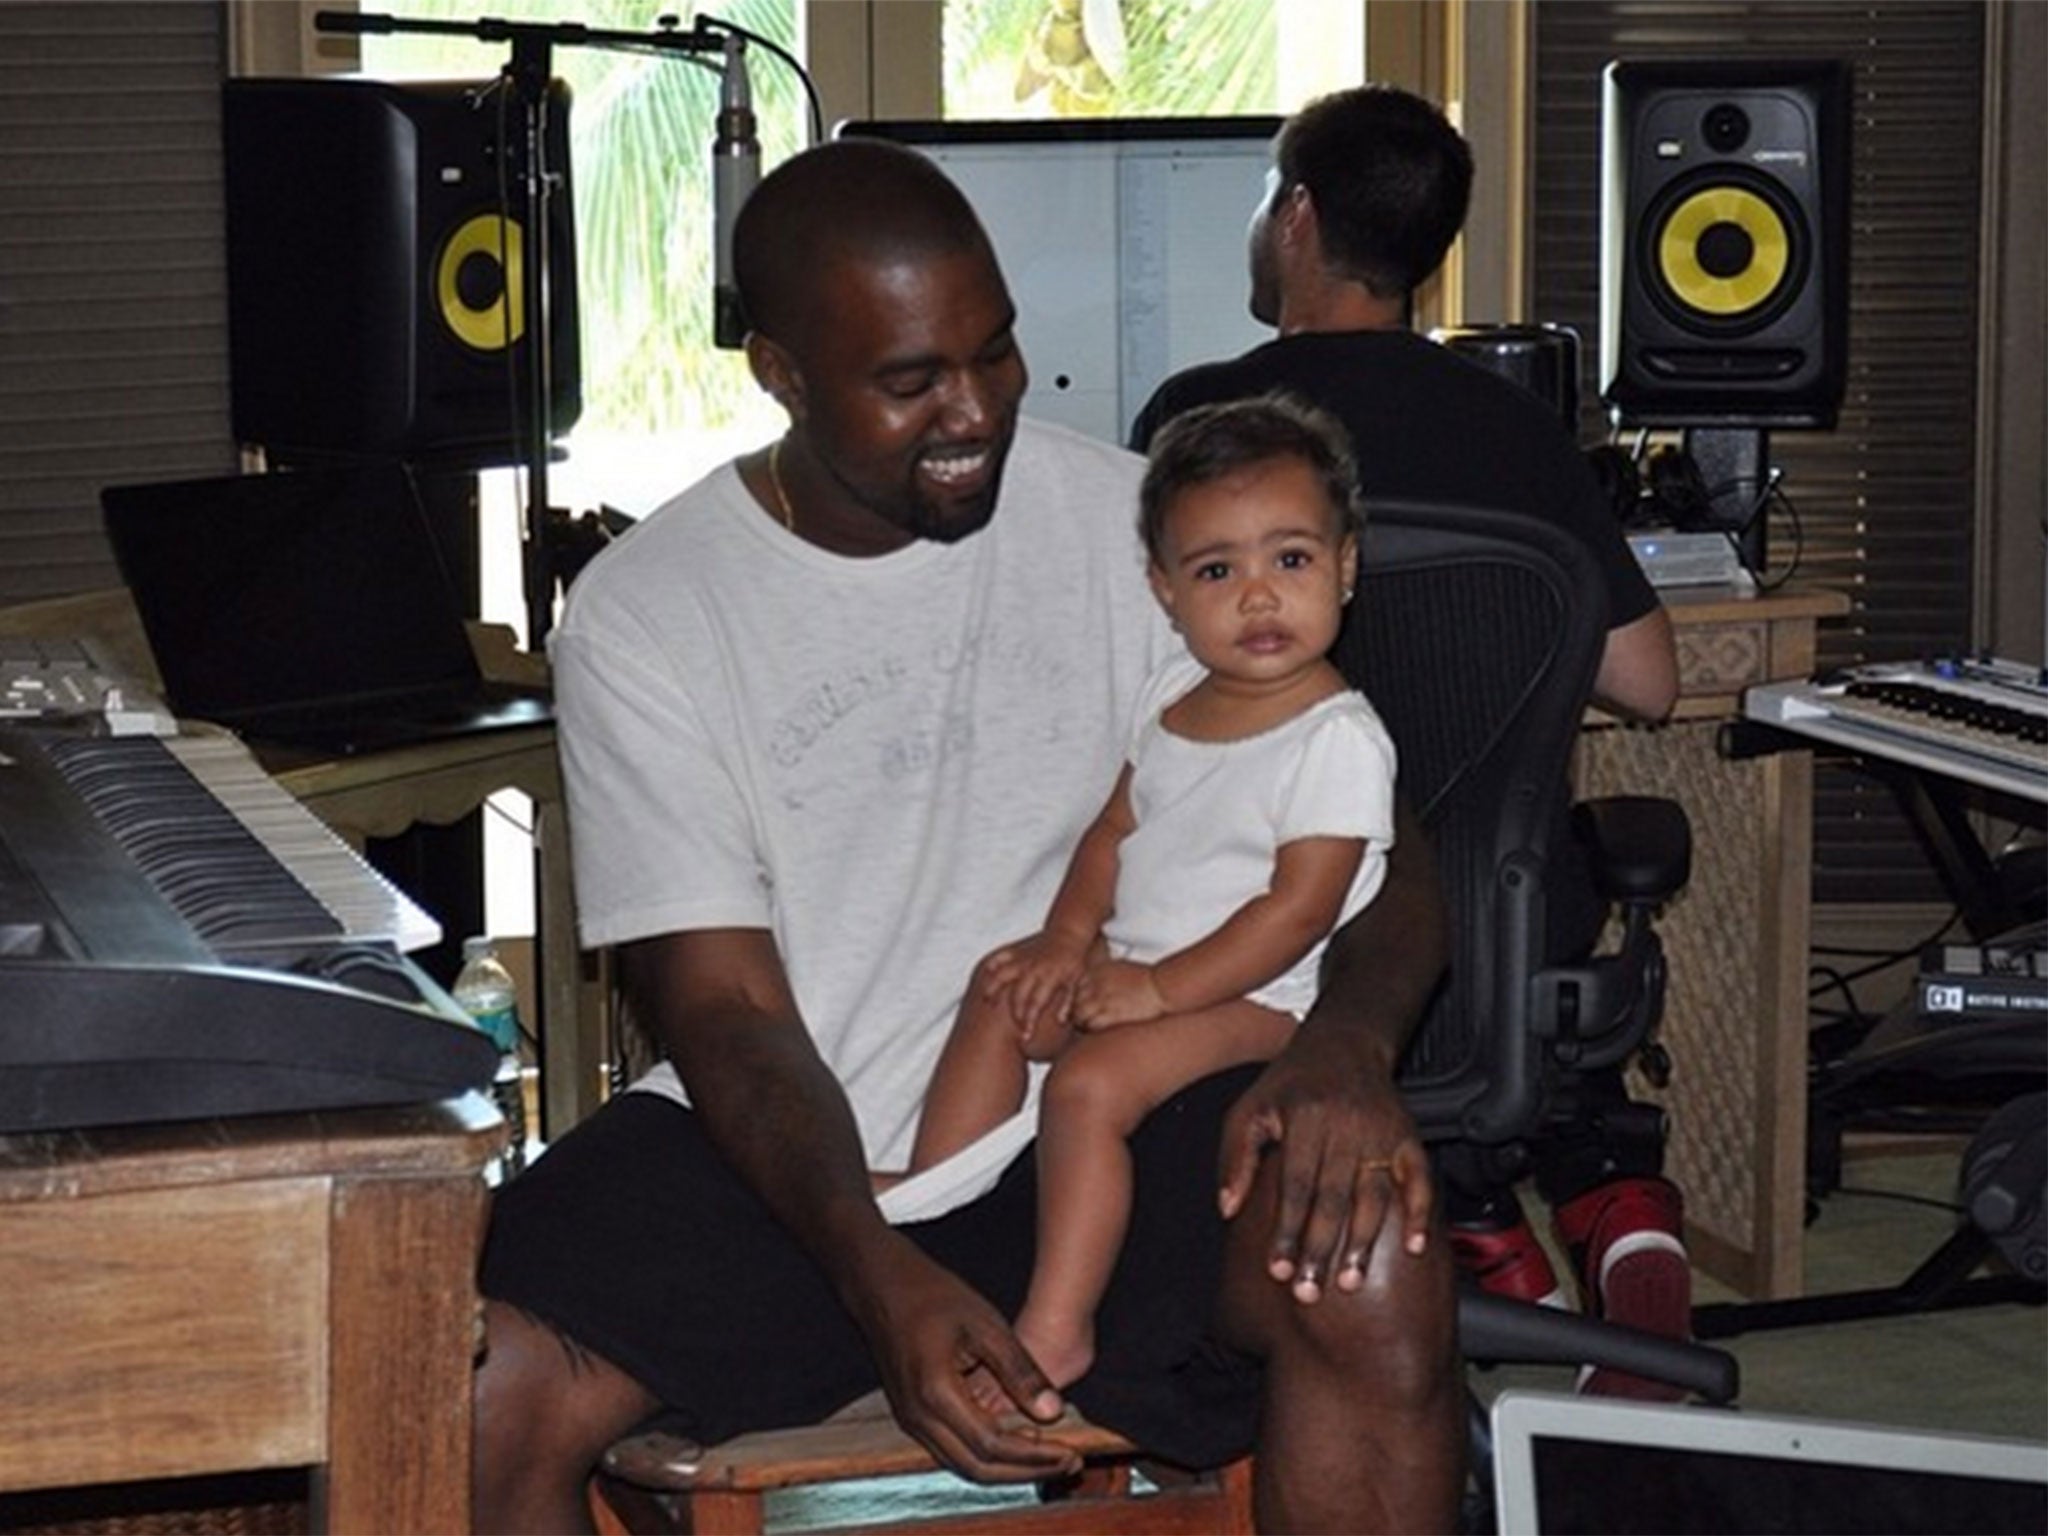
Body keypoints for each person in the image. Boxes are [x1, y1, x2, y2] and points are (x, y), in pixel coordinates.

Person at [470, 138, 1464, 1535]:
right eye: (910, 380)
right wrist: (879, 1271)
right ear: (780, 373)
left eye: (992, 354)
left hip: (1093, 1098)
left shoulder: (1131, 521)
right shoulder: (650, 612)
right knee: (475, 1393)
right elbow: (730, 1013)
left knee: (1366, 1254)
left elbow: (1377, 838)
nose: (976, 409)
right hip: (802, 1139)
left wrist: (1348, 1053)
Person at [1130, 84, 1692, 1400]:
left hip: (1257, 930)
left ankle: (1473, 1243)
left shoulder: (1197, 427)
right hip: (1491, 944)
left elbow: (1131, 676)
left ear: (1300, 217)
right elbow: (1654, 682)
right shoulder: (1510, 423)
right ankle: (1570, 1219)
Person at [896, 394, 1399, 1397]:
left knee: (1088, 1087)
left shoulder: (1335, 738)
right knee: (1002, 990)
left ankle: (1057, 1324)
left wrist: (1155, 991)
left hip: (1261, 1002)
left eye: (1289, 560)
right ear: (1164, 591)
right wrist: (1061, 942)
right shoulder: (1172, 710)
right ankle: (934, 1201)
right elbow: (1112, 834)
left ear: (1344, 564)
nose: (1257, 597)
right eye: (1218, 570)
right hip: (1145, 969)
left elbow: (1296, 911)